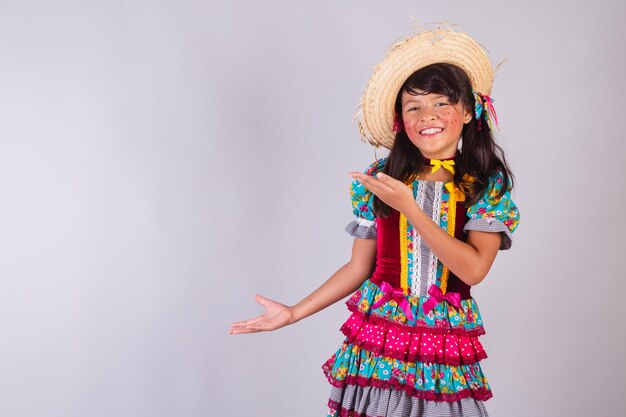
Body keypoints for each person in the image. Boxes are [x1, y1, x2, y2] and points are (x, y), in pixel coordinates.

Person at [230, 28, 520, 417]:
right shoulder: (383, 176)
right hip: (380, 340)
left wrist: (410, 208)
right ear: (400, 118)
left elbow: (473, 268)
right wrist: (293, 313)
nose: (427, 116)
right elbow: (358, 266)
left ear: (468, 111)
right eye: (413, 106)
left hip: (442, 345)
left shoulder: (485, 183)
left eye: (441, 103)